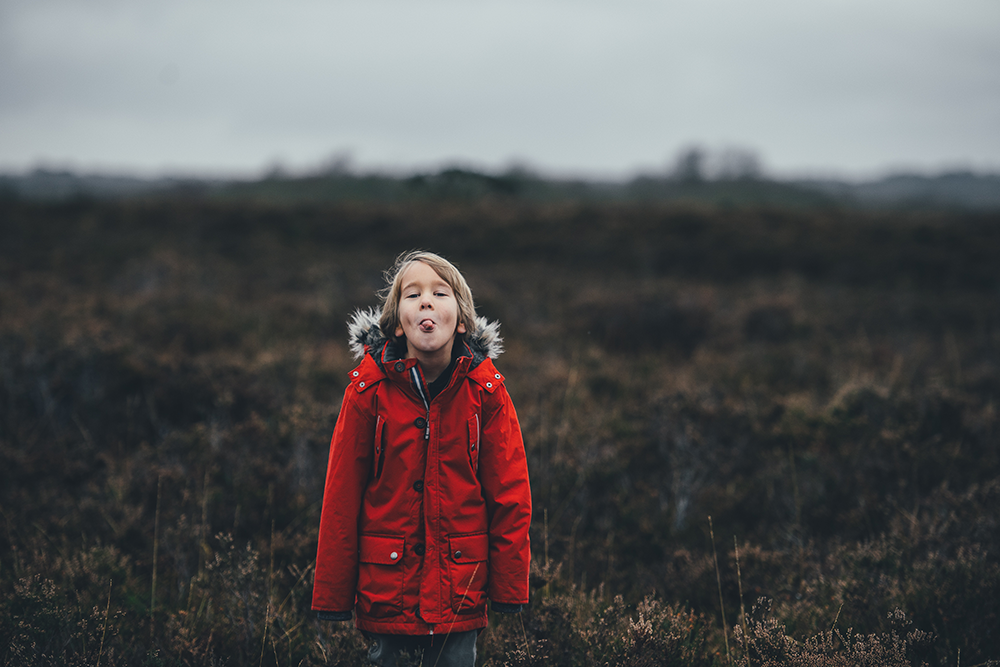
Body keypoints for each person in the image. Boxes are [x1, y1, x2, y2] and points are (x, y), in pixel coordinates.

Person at [312, 250, 532, 667]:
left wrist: (508, 587)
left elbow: (511, 496)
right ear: (397, 324)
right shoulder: (366, 394)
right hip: (385, 591)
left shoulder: (487, 394)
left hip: (460, 590)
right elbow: (340, 498)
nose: (426, 301)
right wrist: (333, 595)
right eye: (412, 295)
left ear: (462, 320)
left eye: (440, 292)